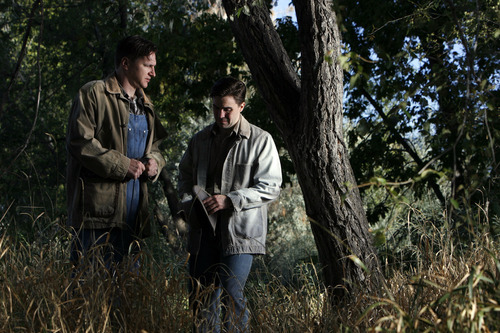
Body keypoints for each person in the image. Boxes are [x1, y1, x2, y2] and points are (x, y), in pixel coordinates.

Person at [178, 77, 282, 332]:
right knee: (200, 299)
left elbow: (271, 187)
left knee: (231, 296)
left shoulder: (261, 140)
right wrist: (188, 206)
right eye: (215, 107)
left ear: (242, 106)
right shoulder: (199, 140)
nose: (220, 114)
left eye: (227, 109)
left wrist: (231, 200)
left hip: (240, 234)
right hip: (202, 232)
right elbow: (184, 177)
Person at [66, 35, 167, 269]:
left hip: (133, 218)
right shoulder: (94, 93)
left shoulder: (146, 105)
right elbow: (80, 142)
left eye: (154, 67)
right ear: (125, 63)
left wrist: (155, 162)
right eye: (148, 65)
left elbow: (156, 148)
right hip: (97, 216)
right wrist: (123, 165)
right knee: (89, 289)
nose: (153, 73)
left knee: (127, 295)